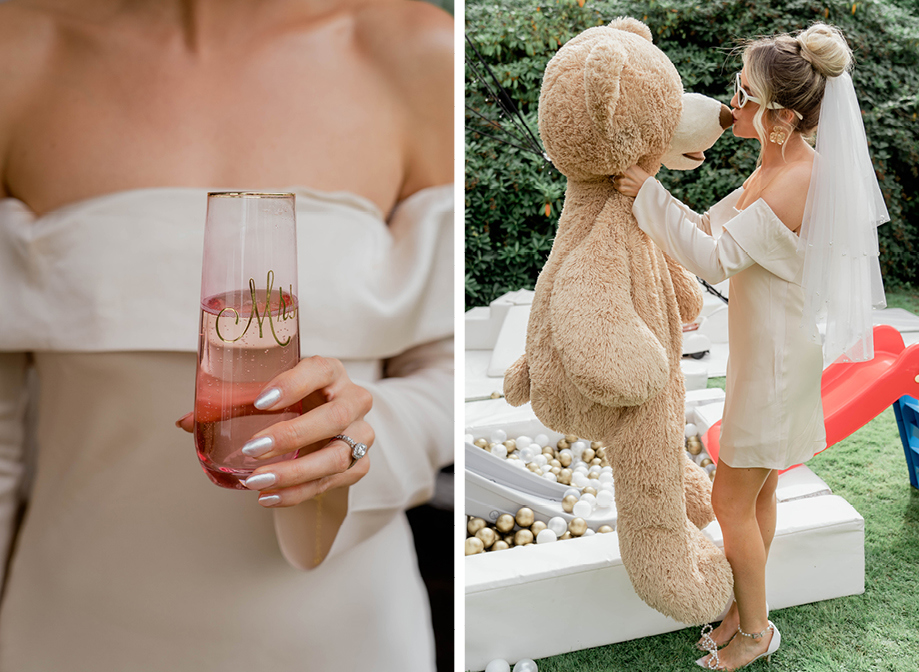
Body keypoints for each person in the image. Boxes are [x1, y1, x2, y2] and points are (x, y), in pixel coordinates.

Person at [0, 0, 453, 670]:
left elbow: (452, 366)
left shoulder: (419, 53)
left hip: (342, 635)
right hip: (69, 630)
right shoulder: (17, 47)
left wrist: (353, 433)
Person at [613, 23, 887, 671]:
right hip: (762, 360)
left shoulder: (797, 181)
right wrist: (649, 190)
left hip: (774, 366)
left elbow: (711, 258)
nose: (731, 104)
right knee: (755, 496)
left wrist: (646, 197)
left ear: (781, 118)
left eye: (744, 94)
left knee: (728, 500)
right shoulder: (774, 166)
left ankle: (755, 633)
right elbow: (706, 225)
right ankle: (744, 609)